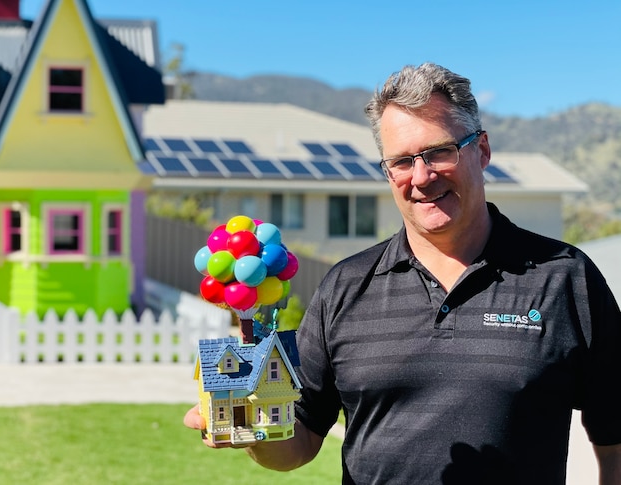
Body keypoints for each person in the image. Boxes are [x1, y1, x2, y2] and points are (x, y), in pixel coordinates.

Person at [184, 62, 621, 484]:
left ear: (482, 150)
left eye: (439, 152)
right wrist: (251, 426)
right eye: (401, 161)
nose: (422, 176)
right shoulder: (346, 286)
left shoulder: (565, 278)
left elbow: (614, 436)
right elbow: (299, 443)